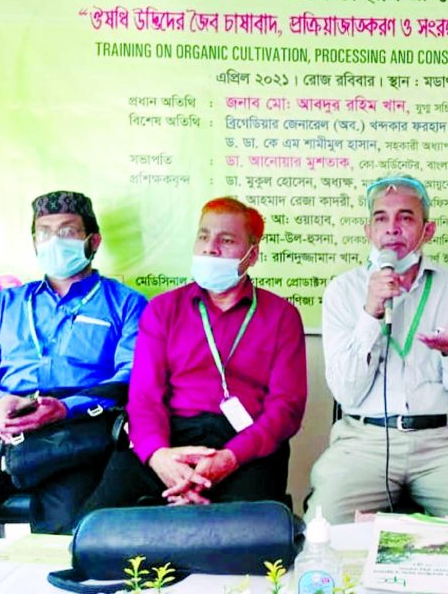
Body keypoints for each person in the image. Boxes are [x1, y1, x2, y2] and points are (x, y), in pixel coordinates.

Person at [80, 196, 306, 511]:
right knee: (96, 527)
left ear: (252, 255)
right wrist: (160, 458)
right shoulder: (163, 309)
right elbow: (145, 397)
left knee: (246, 538)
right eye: (203, 236)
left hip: (246, 445)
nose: (210, 248)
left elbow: (287, 409)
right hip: (170, 439)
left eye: (226, 240)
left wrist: (229, 458)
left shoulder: (281, 315)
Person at [306, 174, 448, 524]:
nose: (392, 228)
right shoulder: (343, 291)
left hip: (445, 445)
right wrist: (370, 312)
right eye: (381, 218)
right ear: (369, 231)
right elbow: (345, 392)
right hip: (363, 443)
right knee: (323, 533)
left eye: (406, 217)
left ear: (428, 231)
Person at [0, 190, 147, 537]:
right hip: (3, 431)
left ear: (93, 241)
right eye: (44, 233)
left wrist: (65, 407)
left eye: (67, 231)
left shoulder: (126, 304)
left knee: (68, 537)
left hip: (76, 435)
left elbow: (132, 375)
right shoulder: (4, 305)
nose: (54, 241)